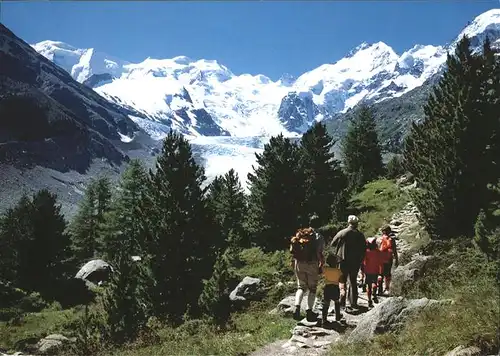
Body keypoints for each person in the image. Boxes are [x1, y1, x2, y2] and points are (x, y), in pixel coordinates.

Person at [290, 215, 325, 322]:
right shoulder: (319, 236)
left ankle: (297, 307)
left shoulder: (301, 234)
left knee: (301, 287)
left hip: (299, 263)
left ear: (310, 223)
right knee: (312, 288)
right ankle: (309, 311)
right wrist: (321, 264)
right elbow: (319, 253)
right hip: (312, 263)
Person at [330, 215, 366, 312]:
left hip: (342, 260)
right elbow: (364, 249)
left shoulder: (343, 232)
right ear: (357, 223)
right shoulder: (360, 235)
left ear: (348, 222)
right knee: (353, 281)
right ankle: (353, 303)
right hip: (355, 261)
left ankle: (341, 303)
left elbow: (332, 243)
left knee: (342, 281)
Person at [321, 251, 344, 326]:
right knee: (337, 302)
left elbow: (319, 271)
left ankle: (324, 320)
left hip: (327, 287)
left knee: (326, 304)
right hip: (335, 287)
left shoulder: (326, 269)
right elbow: (341, 280)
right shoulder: (338, 271)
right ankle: (337, 316)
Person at [363, 237, 384, 307]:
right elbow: (381, 263)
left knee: (368, 286)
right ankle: (374, 295)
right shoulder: (378, 252)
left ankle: (369, 300)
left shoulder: (366, 252)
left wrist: (362, 272)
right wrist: (380, 273)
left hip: (367, 271)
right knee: (374, 283)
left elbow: (364, 262)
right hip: (375, 270)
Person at [378, 225, 399, 296]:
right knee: (387, 274)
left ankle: (379, 290)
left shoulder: (379, 239)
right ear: (389, 231)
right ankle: (386, 289)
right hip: (388, 259)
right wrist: (396, 259)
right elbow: (394, 250)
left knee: (380, 274)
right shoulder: (391, 240)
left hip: (380, 259)